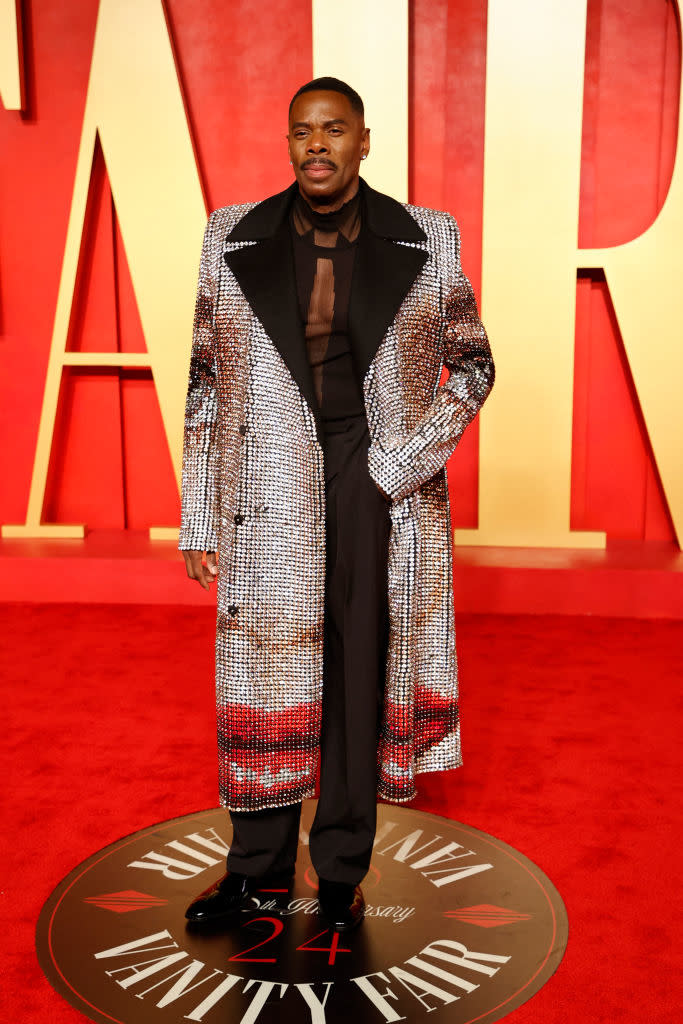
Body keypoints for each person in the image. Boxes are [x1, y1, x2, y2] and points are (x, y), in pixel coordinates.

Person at [178, 77, 494, 932]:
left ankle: (343, 872)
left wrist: (400, 465)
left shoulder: (428, 238)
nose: (315, 144)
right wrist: (200, 514)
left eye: (333, 130)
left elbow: (471, 367)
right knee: (266, 676)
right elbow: (207, 383)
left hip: (375, 484)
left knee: (358, 669)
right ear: (288, 144)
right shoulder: (231, 236)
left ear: (363, 140)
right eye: (300, 132)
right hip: (265, 489)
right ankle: (257, 873)